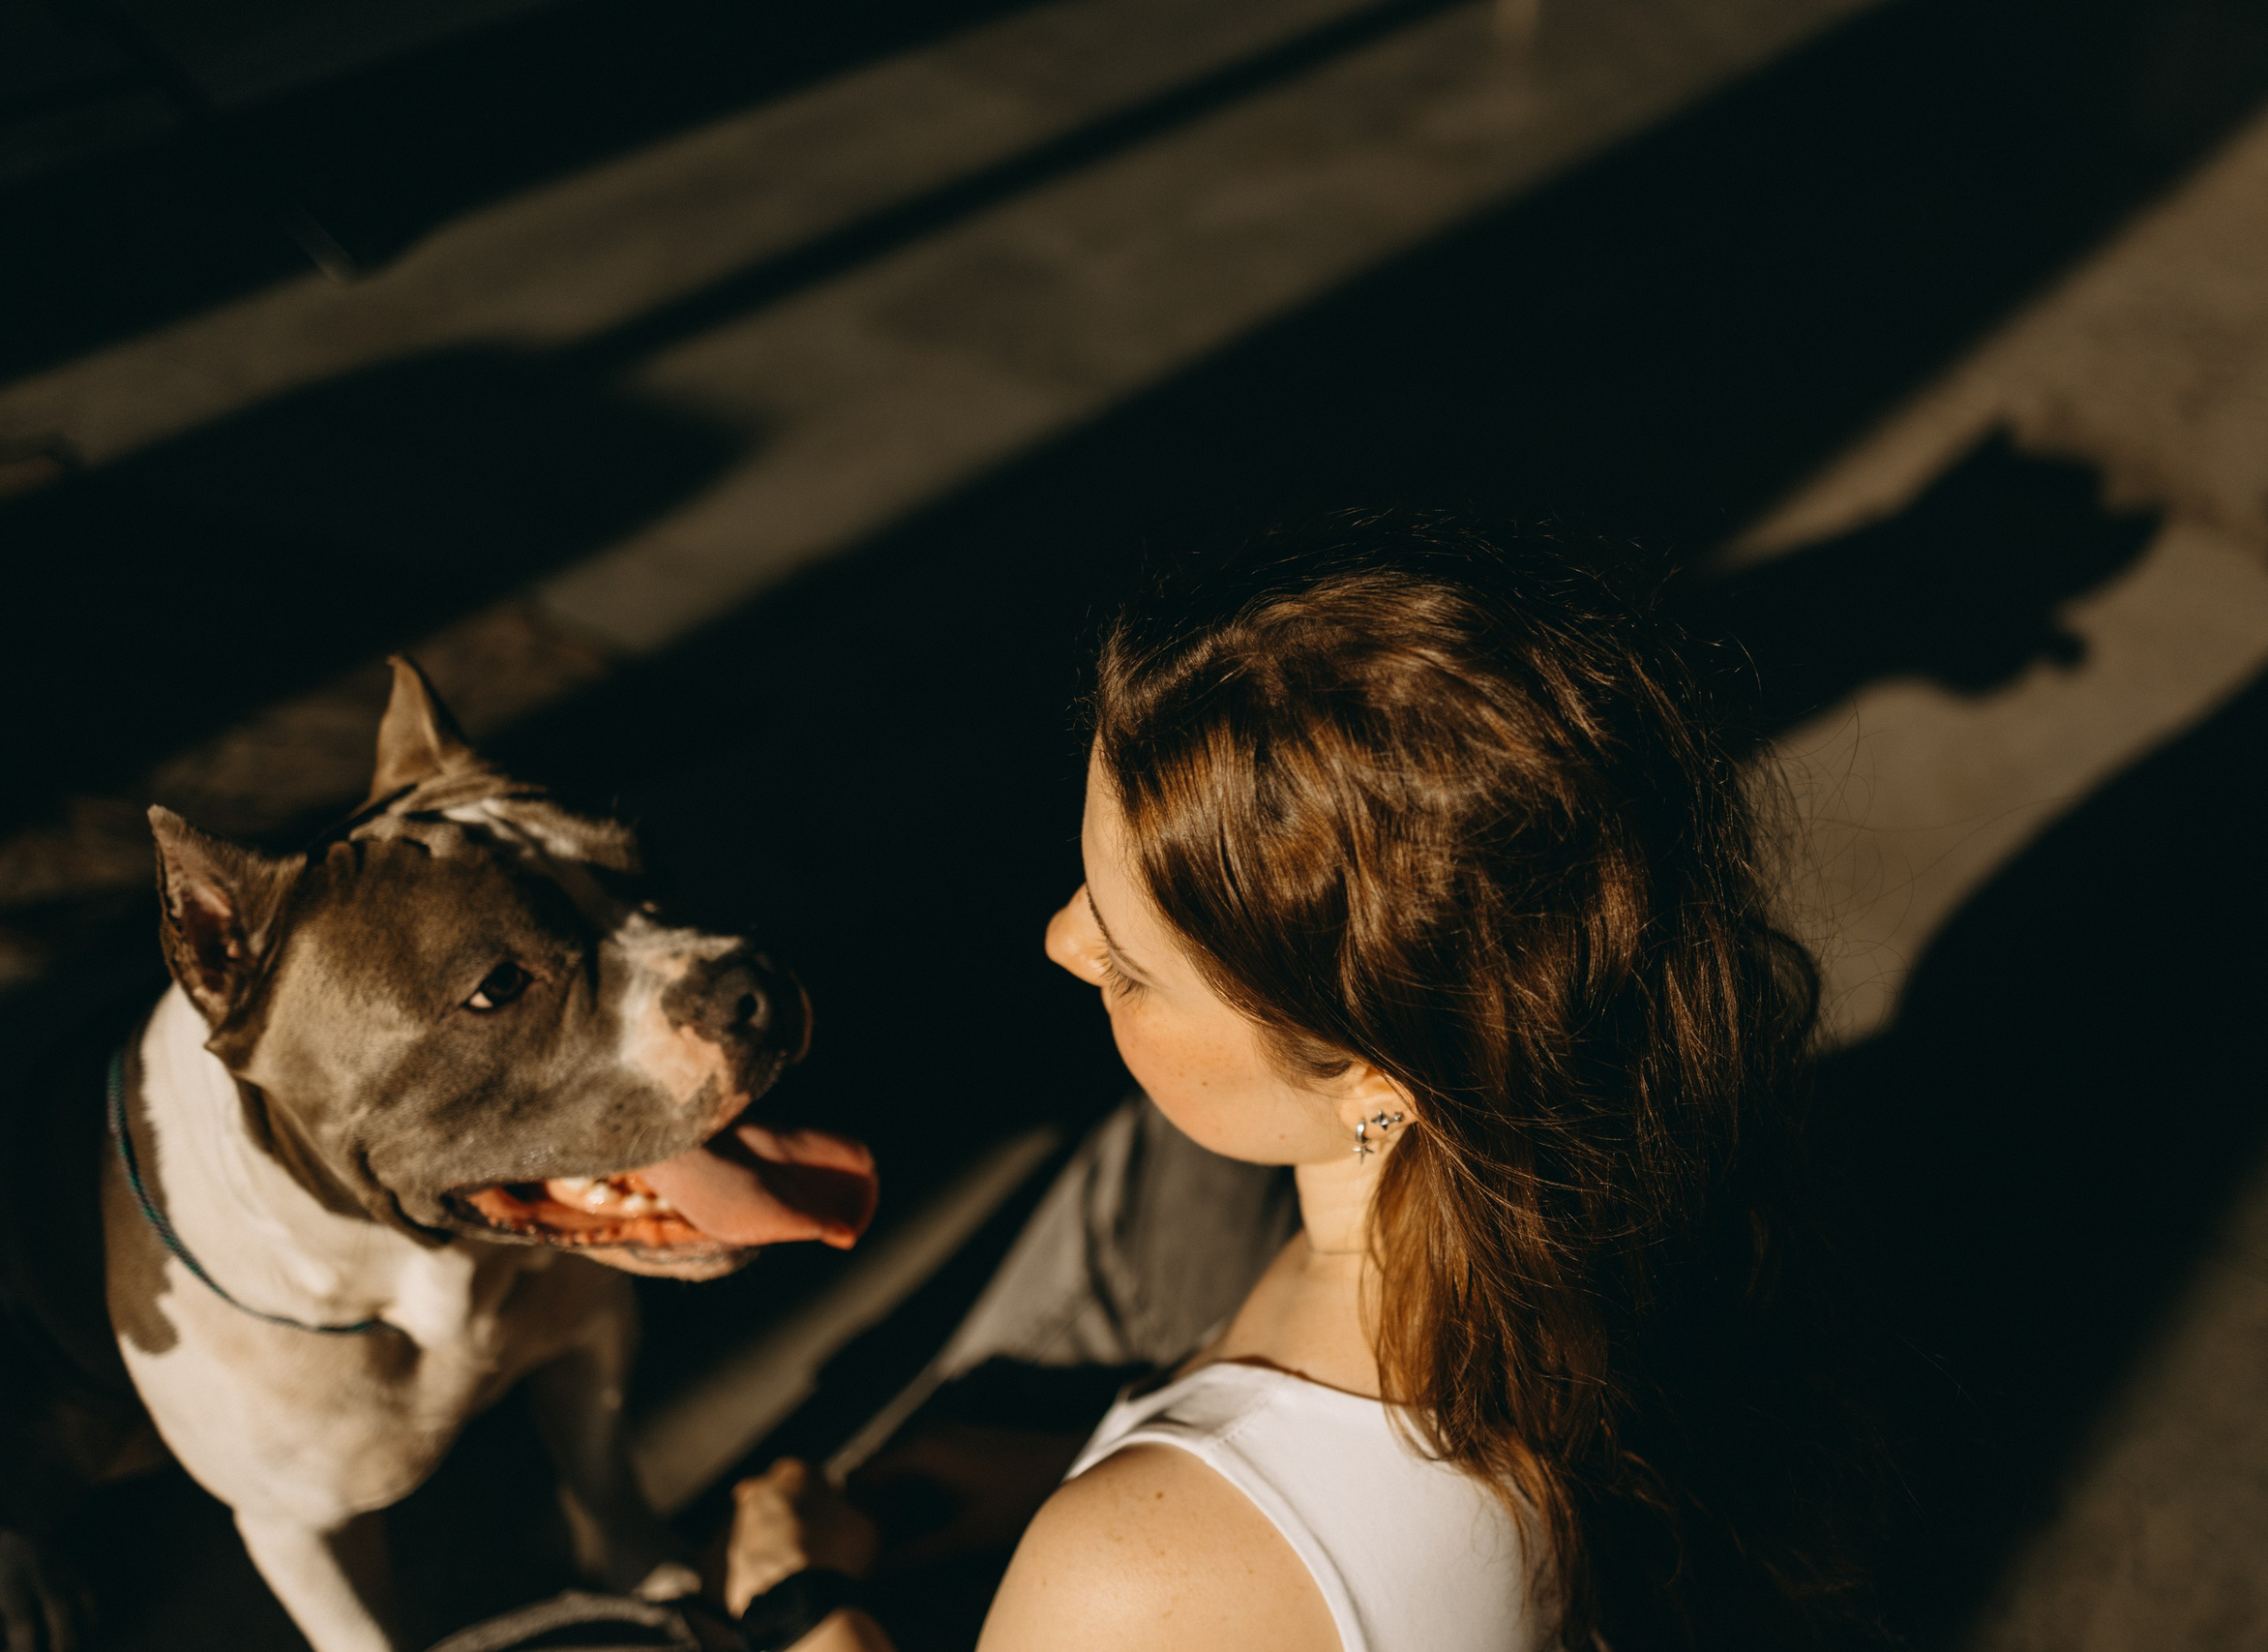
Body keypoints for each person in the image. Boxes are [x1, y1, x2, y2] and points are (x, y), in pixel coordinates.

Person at [724, 512, 1885, 1652]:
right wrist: (1070, 1464)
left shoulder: (1118, 1574)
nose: (1060, 942)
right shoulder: (1597, 1215)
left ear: (1377, 1080)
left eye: (1130, 968)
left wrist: (799, 1607)